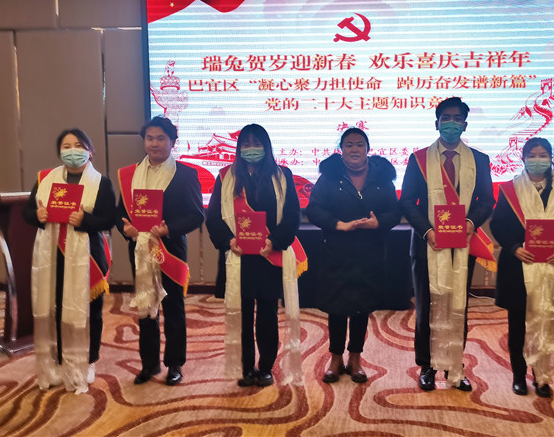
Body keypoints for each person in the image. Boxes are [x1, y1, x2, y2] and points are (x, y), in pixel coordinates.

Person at [400, 96, 495, 391]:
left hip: (462, 244)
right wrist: (427, 230)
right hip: (427, 245)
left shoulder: (479, 160)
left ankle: (455, 365)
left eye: (457, 119)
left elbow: (486, 199)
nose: (451, 123)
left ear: (465, 125)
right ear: (437, 123)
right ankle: (427, 366)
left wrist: (471, 223)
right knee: (427, 307)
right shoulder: (418, 159)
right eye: (446, 118)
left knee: (457, 306)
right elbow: (407, 201)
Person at [206, 124, 303, 387]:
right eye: (246, 144)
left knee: (268, 314)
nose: (251, 149)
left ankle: (266, 367)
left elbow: (292, 216)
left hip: (269, 257)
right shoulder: (225, 177)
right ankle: (247, 367)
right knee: (242, 314)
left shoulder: (282, 176)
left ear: (266, 147)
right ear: (239, 148)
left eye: (257, 144)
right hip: (238, 258)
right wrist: (228, 241)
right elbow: (213, 216)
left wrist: (274, 241)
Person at [23, 128, 116, 394]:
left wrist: (86, 220)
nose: (72, 151)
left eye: (78, 145)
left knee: (90, 311)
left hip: (89, 256)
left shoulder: (101, 182)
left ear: (90, 151)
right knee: (57, 308)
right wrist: (38, 215)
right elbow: (28, 211)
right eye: (66, 146)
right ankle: (61, 360)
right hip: (53, 255)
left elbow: (109, 219)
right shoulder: (45, 179)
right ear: (59, 151)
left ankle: (89, 359)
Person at [306, 128, 400, 383]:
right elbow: (314, 209)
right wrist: (338, 224)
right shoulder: (329, 177)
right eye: (349, 145)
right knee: (336, 307)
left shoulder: (382, 178)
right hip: (337, 252)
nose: (354, 149)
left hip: (370, 254)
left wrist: (378, 222)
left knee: (361, 307)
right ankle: (336, 358)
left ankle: (355, 358)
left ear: (367, 149)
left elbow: (395, 212)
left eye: (359, 144)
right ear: (341, 150)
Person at [116, 116, 204, 386]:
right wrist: (126, 229)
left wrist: (169, 229)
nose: (154, 144)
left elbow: (196, 215)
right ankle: (149, 363)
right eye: (150, 138)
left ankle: (175, 364)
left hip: (170, 249)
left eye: (161, 138)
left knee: (173, 307)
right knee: (146, 305)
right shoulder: (129, 174)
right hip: (140, 249)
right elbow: (120, 213)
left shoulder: (185, 174)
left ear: (173, 142)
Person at [490, 137, 554, 398]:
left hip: (549, 267)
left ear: (551, 158)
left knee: (545, 322)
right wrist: (514, 247)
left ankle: (542, 376)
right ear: (523, 158)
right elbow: (497, 225)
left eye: (543, 155)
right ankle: (518, 374)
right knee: (518, 325)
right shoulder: (509, 189)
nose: (538, 160)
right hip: (518, 265)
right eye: (532, 155)